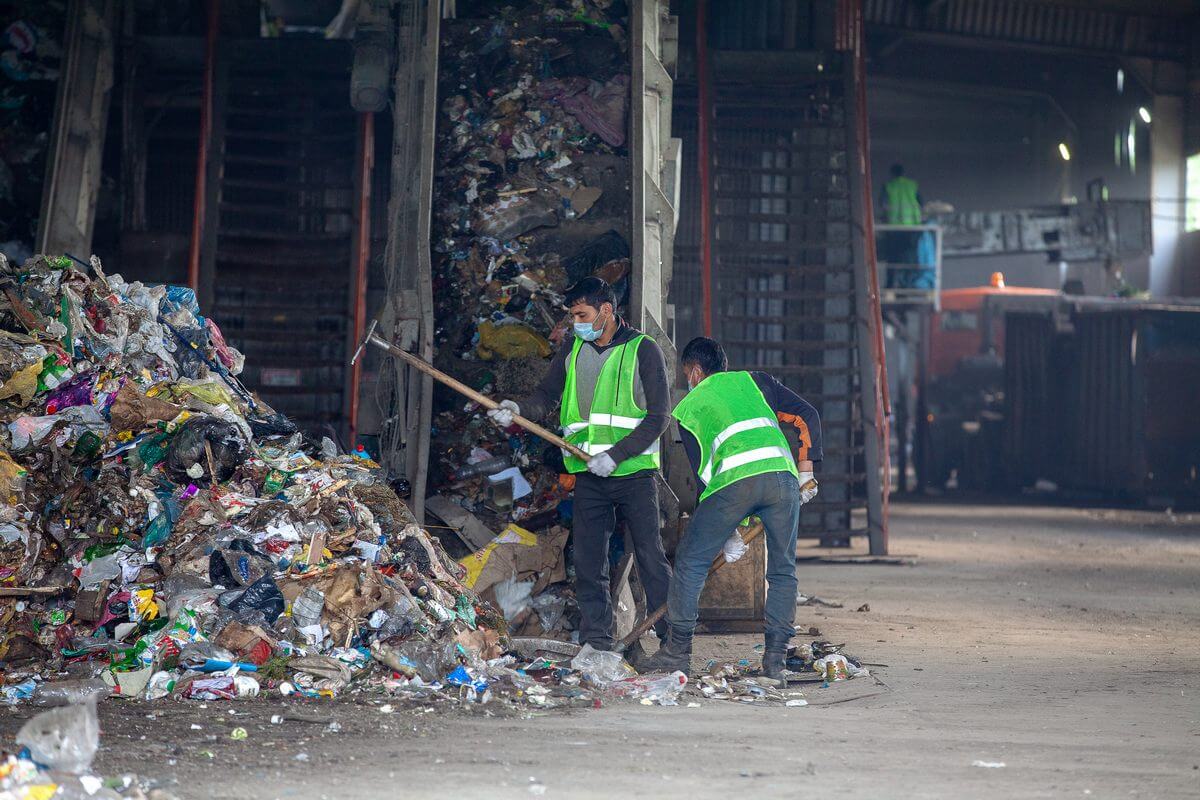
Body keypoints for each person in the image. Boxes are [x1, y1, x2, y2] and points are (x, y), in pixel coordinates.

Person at [487, 277, 673, 651]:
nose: (576, 323)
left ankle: (674, 640)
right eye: (572, 315)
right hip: (589, 475)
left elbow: (659, 418)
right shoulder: (573, 348)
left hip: (634, 474)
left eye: (582, 314)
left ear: (606, 310)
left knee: (651, 558)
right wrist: (519, 410)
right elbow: (546, 395)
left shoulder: (643, 350)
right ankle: (597, 641)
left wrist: (617, 454)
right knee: (589, 562)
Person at [643, 337, 822, 680]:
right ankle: (774, 663)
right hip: (784, 480)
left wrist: (728, 532)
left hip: (734, 485)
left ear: (694, 371)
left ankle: (677, 653)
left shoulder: (690, 407)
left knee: (691, 561)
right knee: (783, 572)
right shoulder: (757, 382)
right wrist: (806, 470)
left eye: (686, 374)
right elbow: (806, 415)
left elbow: (705, 478)